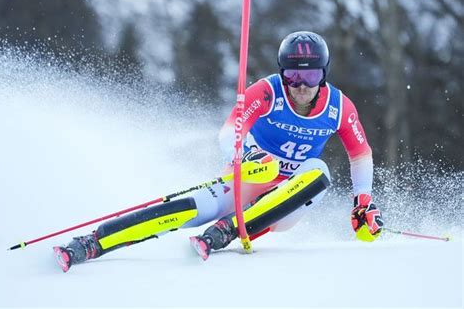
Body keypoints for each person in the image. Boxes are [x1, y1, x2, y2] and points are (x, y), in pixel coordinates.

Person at [53, 31, 383, 272]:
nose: (300, 84)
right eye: (292, 74)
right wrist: (250, 152)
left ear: (323, 74)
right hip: (251, 178)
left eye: (310, 74)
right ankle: (92, 243)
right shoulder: (267, 92)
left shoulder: (339, 108)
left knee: (319, 170)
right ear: (282, 72)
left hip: (289, 200)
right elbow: (229, 132)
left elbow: (361, 155)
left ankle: (229, 229)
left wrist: (362, 203)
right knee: (187, 207)